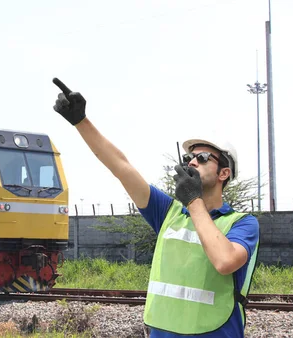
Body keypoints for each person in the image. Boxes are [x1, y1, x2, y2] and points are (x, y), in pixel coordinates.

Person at [51, 77, 260, 338]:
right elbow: (121, 166)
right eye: (189, 157)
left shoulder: (242, 223)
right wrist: (81, 121)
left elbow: (225, 260)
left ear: (224, 173)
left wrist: (193, 200)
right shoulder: (168, 212)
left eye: (203, 157)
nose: (192, 162)